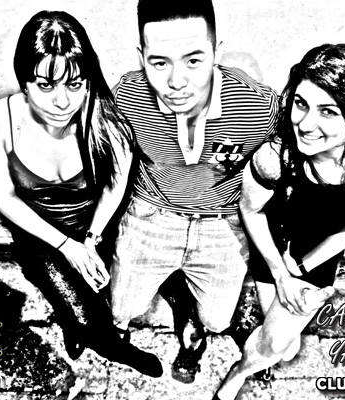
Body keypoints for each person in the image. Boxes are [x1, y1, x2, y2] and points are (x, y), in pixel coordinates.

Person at [213, 43, 345, 399]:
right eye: (301, 104)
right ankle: (245, 367)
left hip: (317, 252)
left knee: (279, 345)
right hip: (273, 243)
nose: (304, 124)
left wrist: (300, 267)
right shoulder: (274, 158)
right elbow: (251, 210)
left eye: (327, 111)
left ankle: (247, 364)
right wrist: (281, 273)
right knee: (278, 345)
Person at [0, 10, 162, 377]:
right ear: (24, 81)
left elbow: (114, 187)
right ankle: (111, 347)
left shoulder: (107, 119)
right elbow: (4, 196)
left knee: (93, 294)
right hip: (37, 232)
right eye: (45, 85)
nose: (62, 101)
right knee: (77, 310)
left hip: (95, 226)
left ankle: (75, 324)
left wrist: (90, 241)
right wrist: (67, 247)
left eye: (75, 84)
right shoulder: (0, 119)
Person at [109, 0, 278, 384]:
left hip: (221, 222)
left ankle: (189, 307)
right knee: (122, 310)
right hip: (152, 212)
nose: (176, 81)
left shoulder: (258, 105)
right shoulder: (128, 96)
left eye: (193, 60)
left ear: (217, 52)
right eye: (159, 62)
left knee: (216, 321)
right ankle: (176, 291)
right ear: (141, 56)